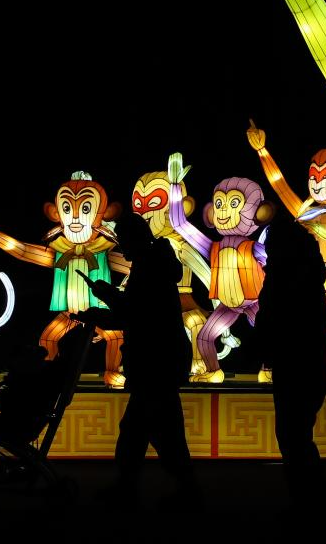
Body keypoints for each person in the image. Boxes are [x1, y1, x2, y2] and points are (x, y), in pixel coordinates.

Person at [74, 212, 198, 506]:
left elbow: (137, 315)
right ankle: (173, 488)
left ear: (134, 239)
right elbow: (141, 313)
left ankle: (166, 489)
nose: (121, 246)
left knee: (148, 429)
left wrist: (105, 297)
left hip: (154, 362)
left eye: (123, 240)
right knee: (151, 428)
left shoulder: (148, 267)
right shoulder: (157, 263)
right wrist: (106, 305)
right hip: (163, 360)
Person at [256, 218, 326, 509]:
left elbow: (273, 317)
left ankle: (307, 499)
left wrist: (265, 344)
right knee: (298, 431)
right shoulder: (309, 273)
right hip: (310, 357)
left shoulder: (284, 277)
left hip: (292, 360)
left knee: (292, 433)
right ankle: (311, 497)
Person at [0, 327, 85, 460]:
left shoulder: (45, 372)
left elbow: (26, 397)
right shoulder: (55, 370)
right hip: (29, 421)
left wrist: (4, 400)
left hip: (22, 423)